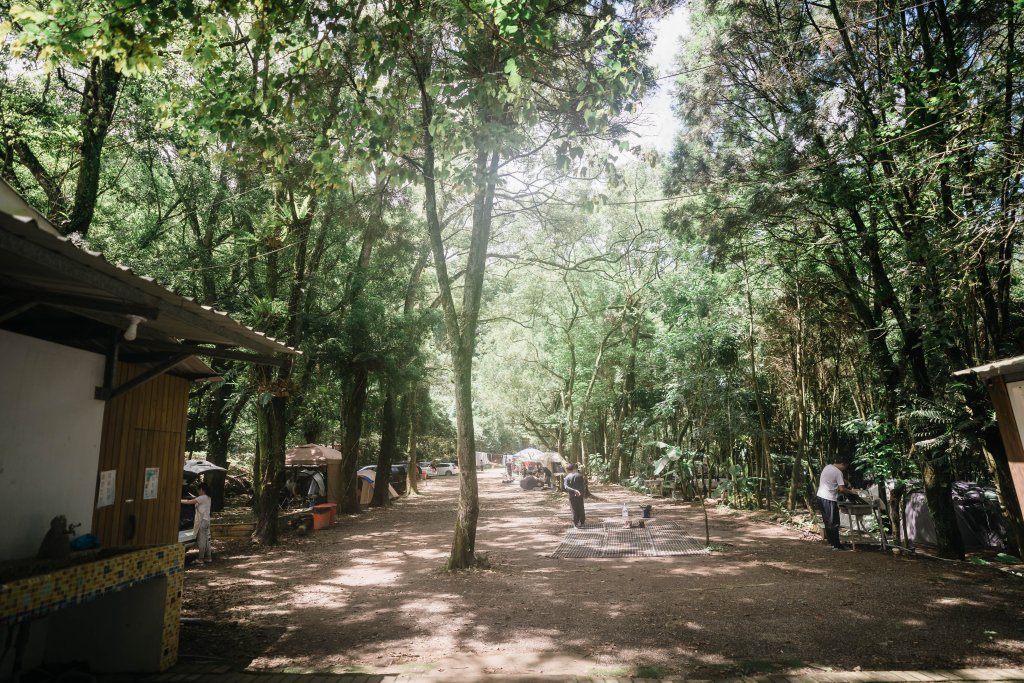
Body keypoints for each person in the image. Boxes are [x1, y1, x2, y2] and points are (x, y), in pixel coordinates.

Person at [817, 459, 857, 551]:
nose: (844, 469)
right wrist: (851, 492)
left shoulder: (827, 467)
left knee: (827, 521)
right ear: (843, 464)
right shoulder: (838, 472)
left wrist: (846, 482)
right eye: (845, 467)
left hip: (820, 497)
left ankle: (831, 543)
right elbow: (842, 489)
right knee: (834, 522)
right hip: (829, 498)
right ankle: (837, 546)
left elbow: (836, 478)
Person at [181, 481, 213, 564]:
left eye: (198, 490)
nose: (198, 492)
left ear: (202, 489)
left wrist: (179, 500)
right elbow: (195, 499)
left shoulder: (202, 497)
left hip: (202, 521)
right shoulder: (208, 497)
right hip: (207, 521)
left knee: (201, 540)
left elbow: (189, 502)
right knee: (206, 540)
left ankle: (200, 559)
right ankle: (209, 557)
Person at [564, 463, 586, 528]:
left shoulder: (567, 477)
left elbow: (566, 487)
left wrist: (574, 490)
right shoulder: (579, 476)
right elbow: (583, 486)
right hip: (580, 495)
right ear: (573, 468)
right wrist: (581, 493)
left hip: (571, 495)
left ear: (567, 470)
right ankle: (582, 522)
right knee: (581, 508)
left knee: (573, 509)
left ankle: (576, 523)